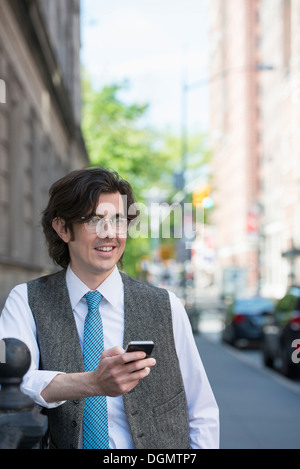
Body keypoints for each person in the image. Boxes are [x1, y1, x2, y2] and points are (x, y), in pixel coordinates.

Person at [0, 167, 219, 449]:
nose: (110, 234)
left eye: (118, 220)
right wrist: (93, 383)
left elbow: (201, 411)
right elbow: (14, 381)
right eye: (94, 220)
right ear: (63, 228)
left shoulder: (166, 305)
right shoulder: (26, 300)